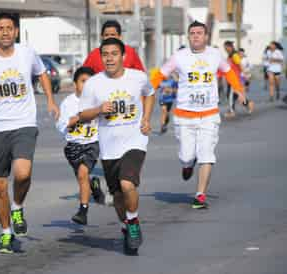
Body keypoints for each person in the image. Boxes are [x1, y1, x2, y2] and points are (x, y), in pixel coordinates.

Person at [0, 13, 60, 254]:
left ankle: (17, 207)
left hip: (23, 122)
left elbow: (42, 73)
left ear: (15, 31)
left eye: (9, 28)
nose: (5, 32)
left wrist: (50, 100)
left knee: (22, 173)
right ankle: (6, 232)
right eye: (0, 28)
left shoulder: (27, 53)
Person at [151, 21, 247, 209]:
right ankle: (188, 163)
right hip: (184, 116)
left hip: (209, 114)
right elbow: (160, 74)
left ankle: (200, 194)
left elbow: (229, 72)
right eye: (192, 33)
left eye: (199, 33)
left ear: (206, 36)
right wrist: (146, 91)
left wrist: (239, 89)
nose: (195, 36)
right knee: (186, 156)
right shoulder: (179, 57)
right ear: (189, 36)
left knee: (207, 154)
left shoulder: (215, 55)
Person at [79, 38, 155, 255]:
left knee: (127, 184)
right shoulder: (93, 83)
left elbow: (150, 94)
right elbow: (83, 115)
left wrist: (147, 118)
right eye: (105, 54)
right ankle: (126, 225)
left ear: (123, 56)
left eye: (114, 53)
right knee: (118, 197)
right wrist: (99, 109)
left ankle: (133, 223)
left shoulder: (137, 77)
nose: (110, 58)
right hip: (109, 147)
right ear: (101, 57)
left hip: (135, 141)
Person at [56, 66, 104, 225]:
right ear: (75, 84)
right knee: (82, 176)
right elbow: (61, 125)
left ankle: (83, 211)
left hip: (92, 144)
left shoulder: (98, 101)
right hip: (73, 146)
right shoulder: (68, 103)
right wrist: (79, 117)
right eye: (83, 81)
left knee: (82, 174)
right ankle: (94, 185)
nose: (87, 85)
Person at [223, 40, 254, 118]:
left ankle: (232, 112)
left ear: (229, 47)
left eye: (226, 47)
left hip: (235, 79)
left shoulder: (234, 55)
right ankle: (248, 103)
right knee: (234, 96)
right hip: (231, 78)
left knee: (230, 95)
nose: (225, 49)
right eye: (224, 47)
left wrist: (245, 75)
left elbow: (240, 65)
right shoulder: (230, 55)